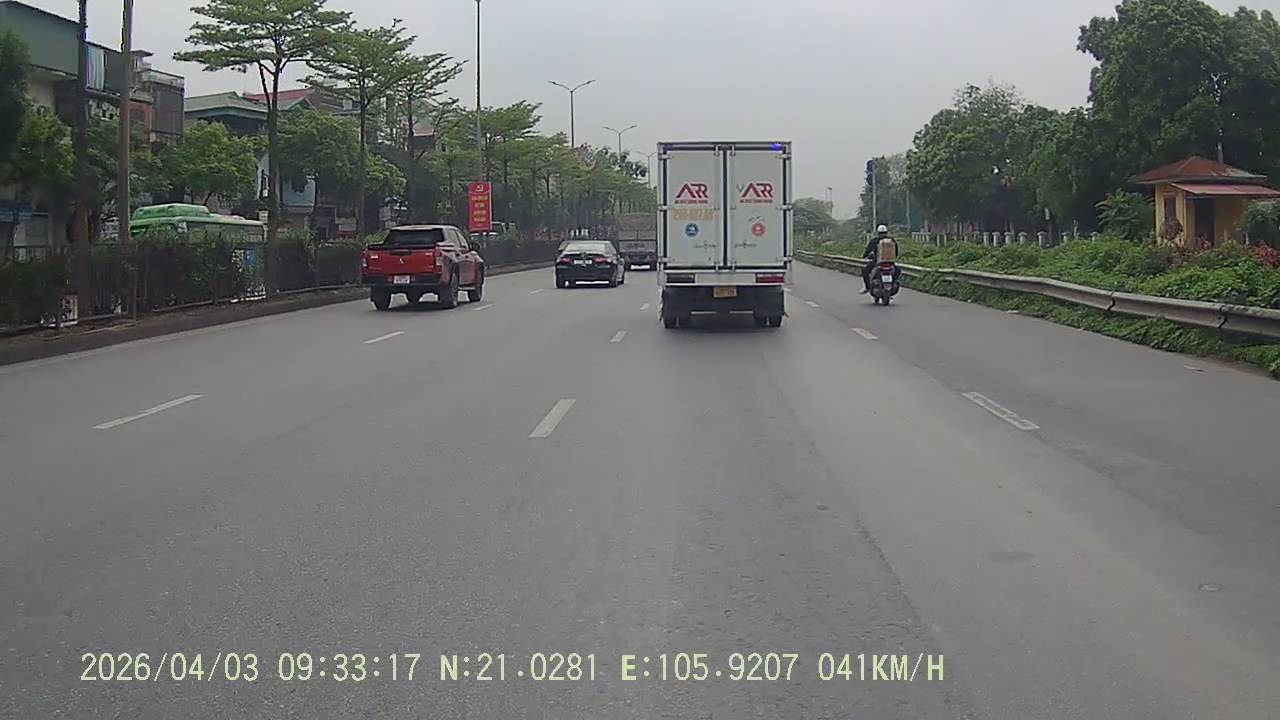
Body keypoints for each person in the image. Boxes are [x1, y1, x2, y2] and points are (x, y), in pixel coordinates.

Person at [861, 225, 898, 294]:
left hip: (877, 262)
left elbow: (867, 251)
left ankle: (867, 287)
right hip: (890, 262)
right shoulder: (891, 240)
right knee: (898, 271)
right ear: (886, 232)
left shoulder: (875, 240)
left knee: (865, 271)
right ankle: (893, 282)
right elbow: (896, 251)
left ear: (878, 233)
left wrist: (864, 256)